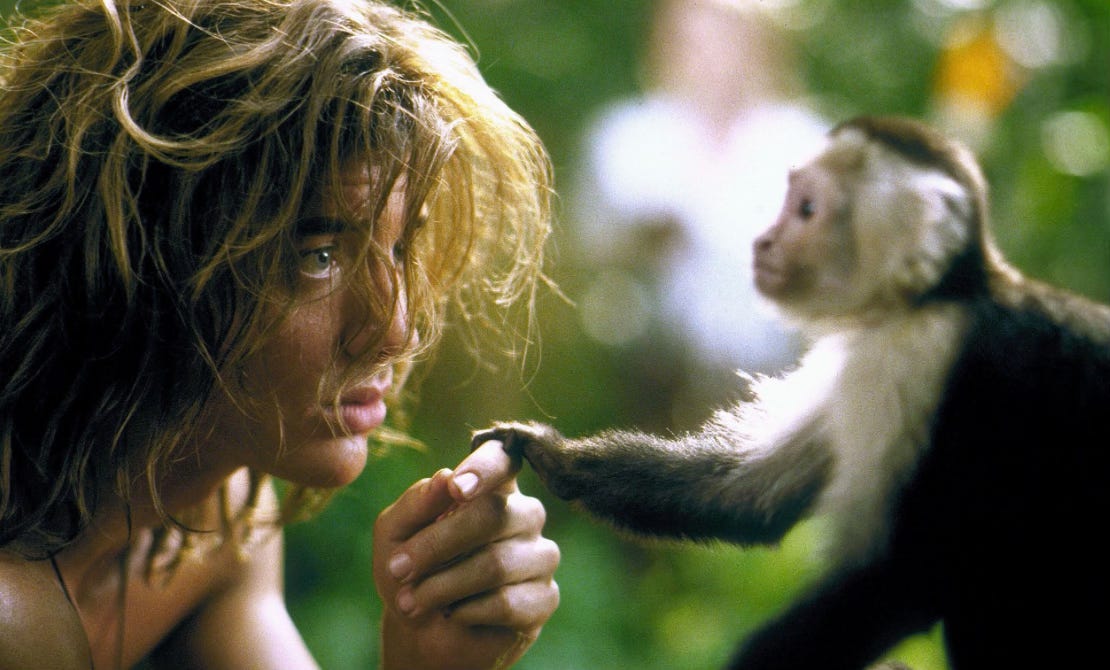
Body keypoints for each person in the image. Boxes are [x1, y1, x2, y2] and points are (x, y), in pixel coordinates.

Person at [0, 1, 559, 668]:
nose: (396, 329)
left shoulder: (218, 522)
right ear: (142, 261)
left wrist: (427, 654)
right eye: (316, 255)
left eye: (404, 245)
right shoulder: (14, 612)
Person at [573, 0, 826, 429]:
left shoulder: (803, 143)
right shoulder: (628, 137)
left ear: (762, 44)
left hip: (774, 381)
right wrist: (640, 241)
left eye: (725, 38)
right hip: (647, 384)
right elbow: (588, 251)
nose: (709, 55)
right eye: (692, 39)